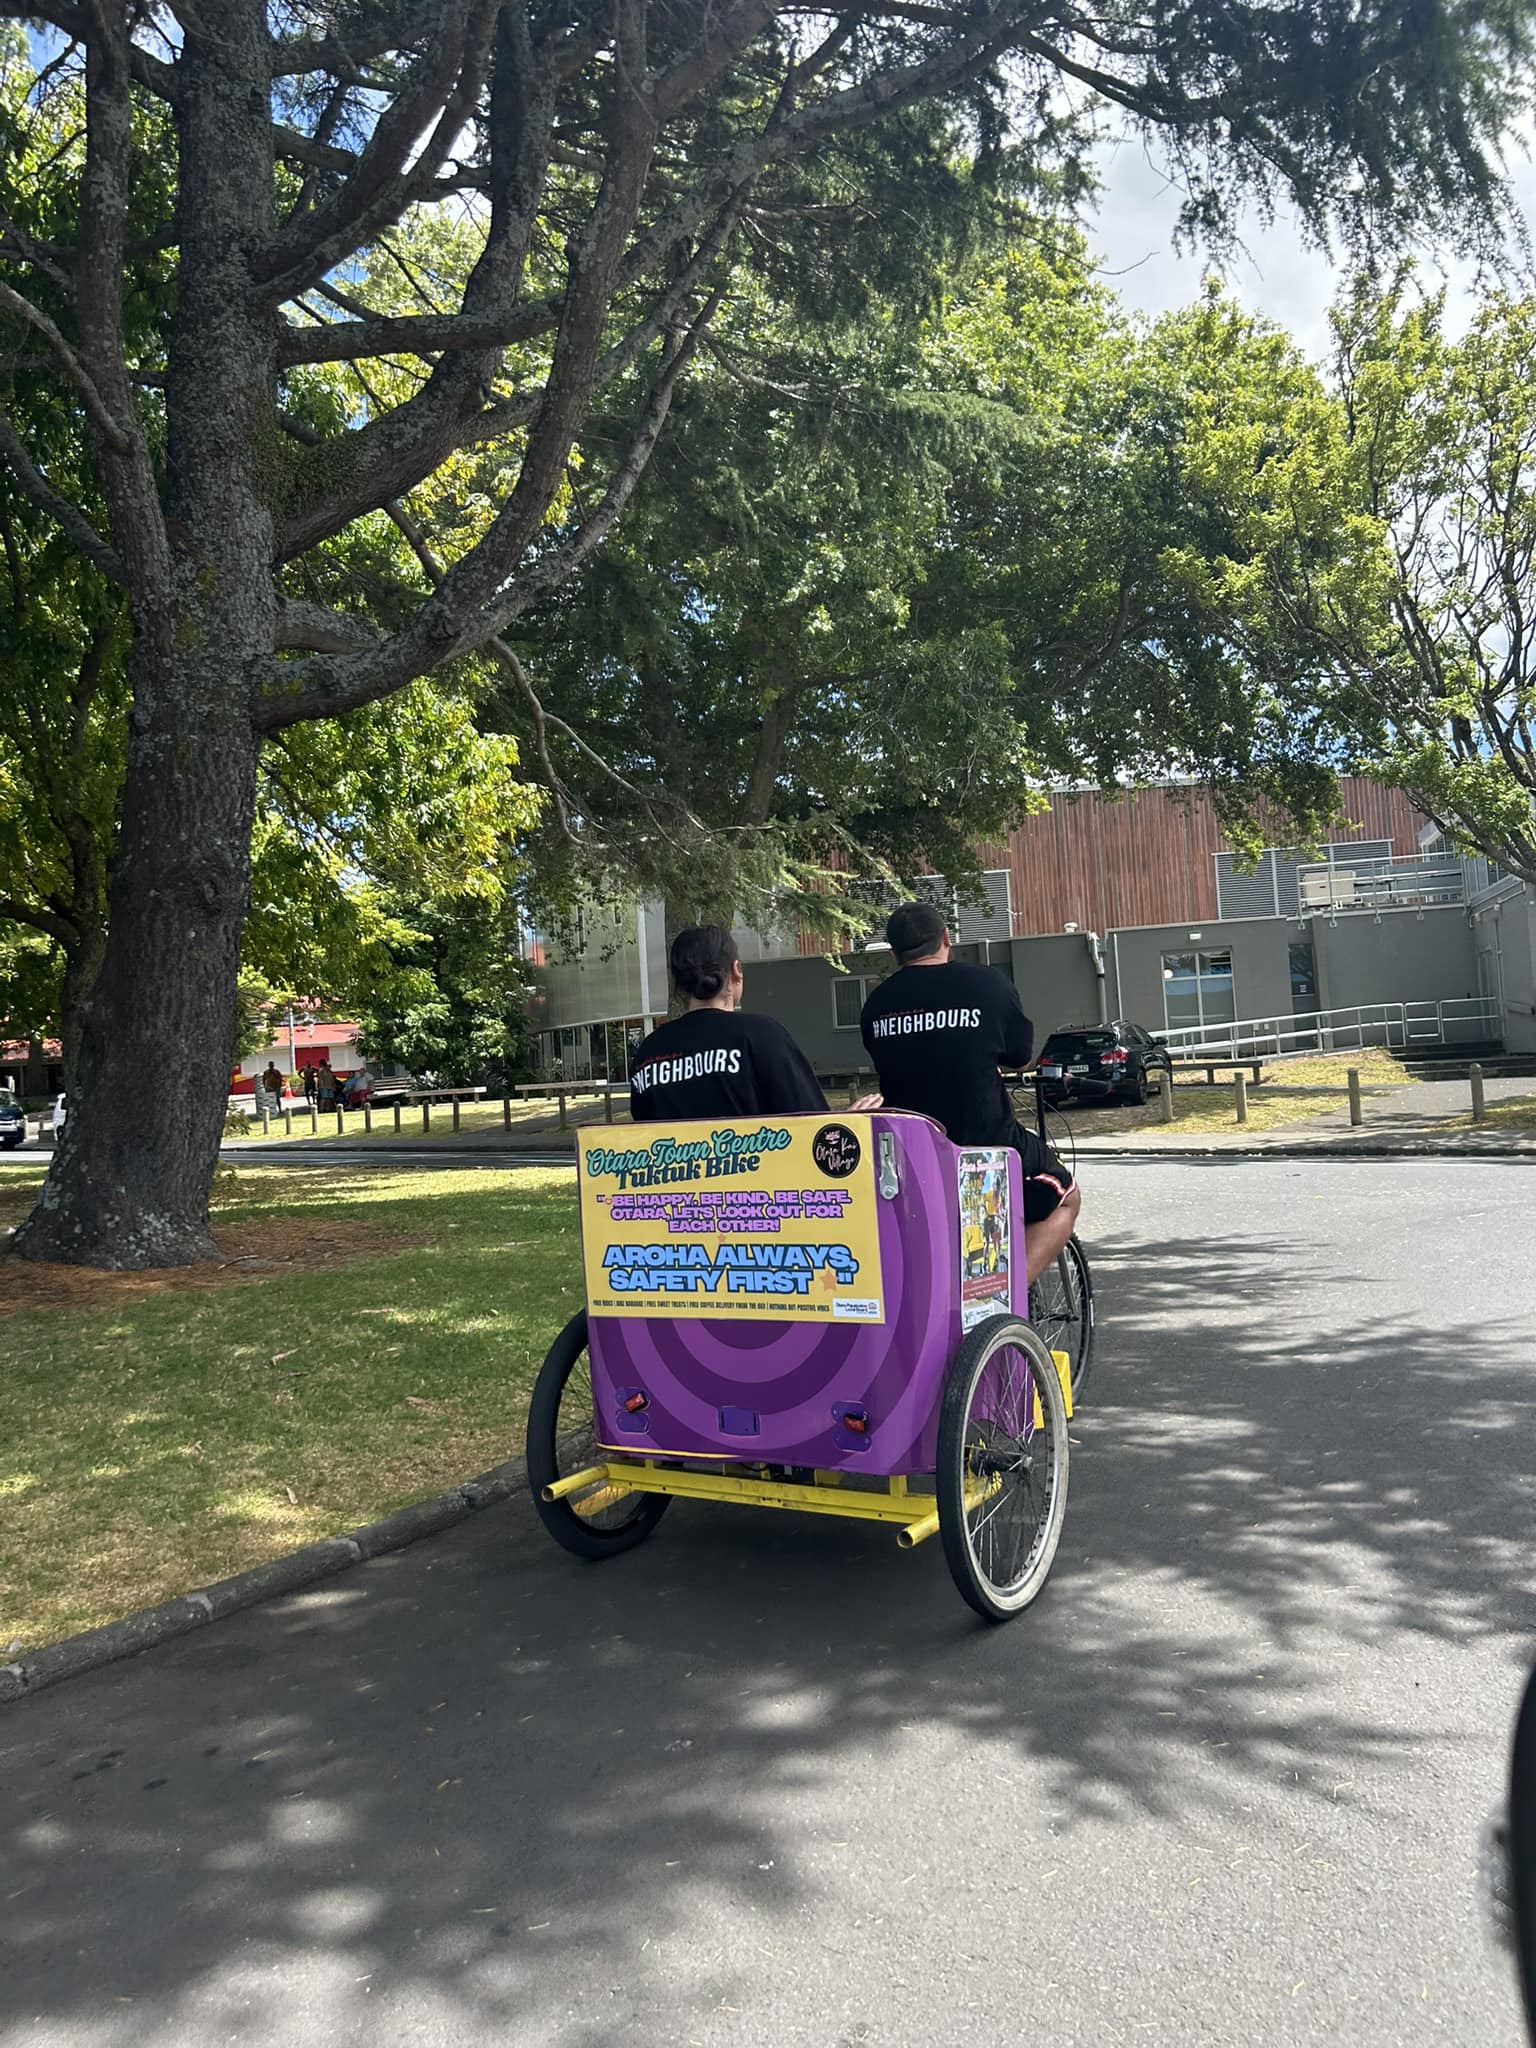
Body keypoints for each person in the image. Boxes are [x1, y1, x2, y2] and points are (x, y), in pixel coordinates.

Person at [859, 900, 1080, 1281]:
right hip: (988, 1149)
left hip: (915, 1162)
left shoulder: (876, 1005)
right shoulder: (989, 985)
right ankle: (1008, 1301)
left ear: (895, 954)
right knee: (1067, 1196)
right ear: (947, 939)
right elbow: (1019, 1058)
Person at [629, 924, 880, 1123]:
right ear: (736, 971)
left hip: (676, 1189)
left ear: (678, 984)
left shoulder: (648, 1053)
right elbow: (808, 1124)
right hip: (754, 1188)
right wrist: (845, 1125)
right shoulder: (761, 1036)